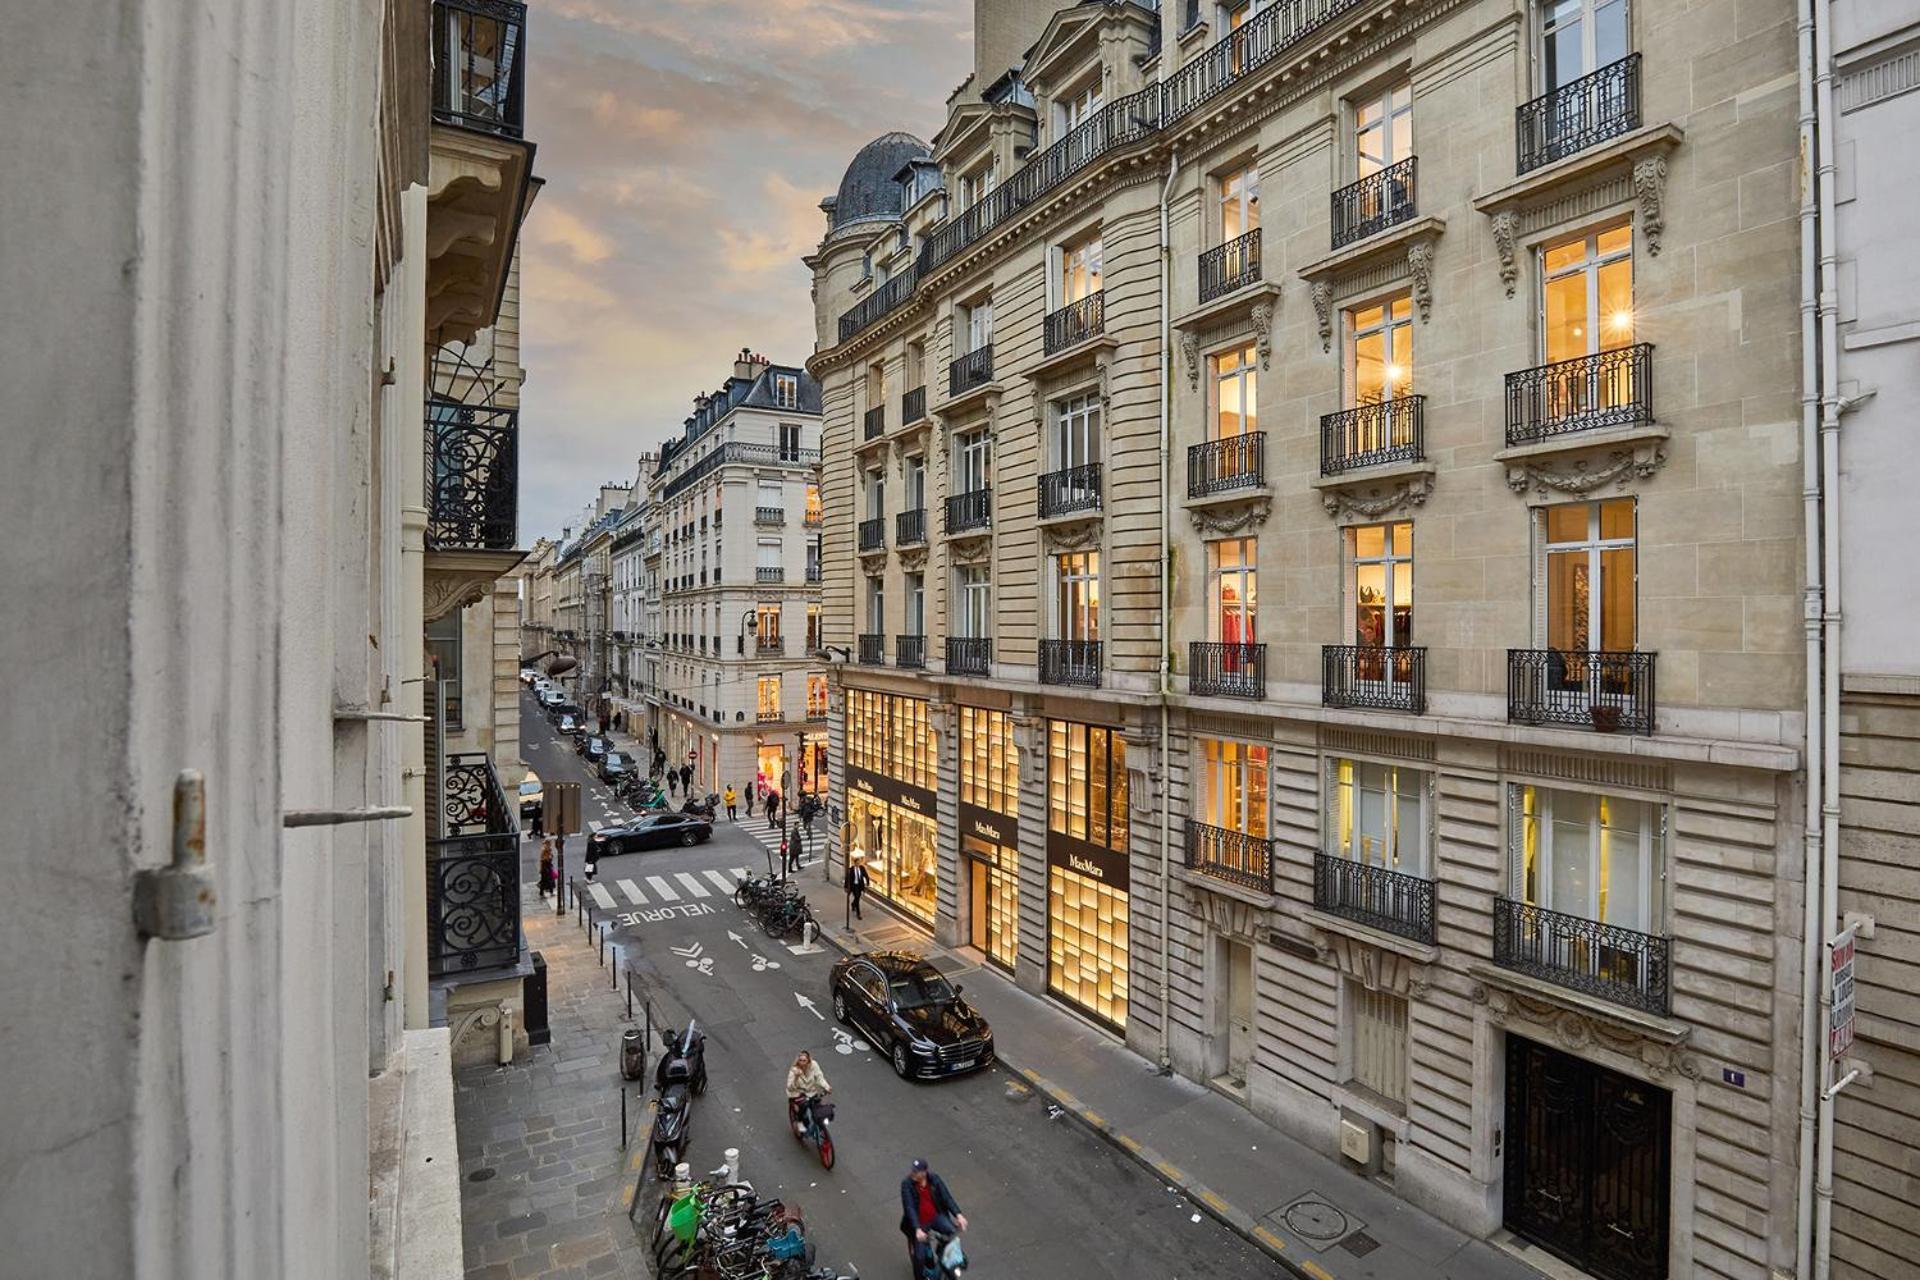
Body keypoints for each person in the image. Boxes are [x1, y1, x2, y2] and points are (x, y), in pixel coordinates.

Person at [898, 1159, 965, 1272]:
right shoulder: (907, 1184)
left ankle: (942, 1256)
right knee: (919, 1258)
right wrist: (917, 1229)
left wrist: (958, 1215)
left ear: (924, 1172)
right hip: (920, 1223)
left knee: (951, 1233)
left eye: (916, 1172)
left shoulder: (934, 1179)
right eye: (913, 1171)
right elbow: (909, 1208)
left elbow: (946, 1197)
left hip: (936, 1218)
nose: (913, 1174)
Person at [784, 1050, 831, 1137]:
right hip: (797, 1093)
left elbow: (819, 1077)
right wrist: (796, 1078)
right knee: (802, 1110)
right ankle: (800, 1126)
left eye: (804, 1060)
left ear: (809, 1060)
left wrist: (826, 1087)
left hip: (811, 1092)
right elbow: (790, 1087)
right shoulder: (794, 1070)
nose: (802, 1063)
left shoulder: (814, 1065)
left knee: (818, 1110)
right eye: (800, 1060)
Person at [846, 854, 869, 920]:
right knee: (857, 898)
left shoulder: (862, 868)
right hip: (854, 886)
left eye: (859, 862)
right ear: (855, 863)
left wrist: (867, 882)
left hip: (860, 885)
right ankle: (858, 914)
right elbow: (847, 878)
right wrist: (846, 887)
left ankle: (853, 904)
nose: (858, 864)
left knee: (857, 897)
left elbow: (866, 875)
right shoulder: (851, 869)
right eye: (857, 863)